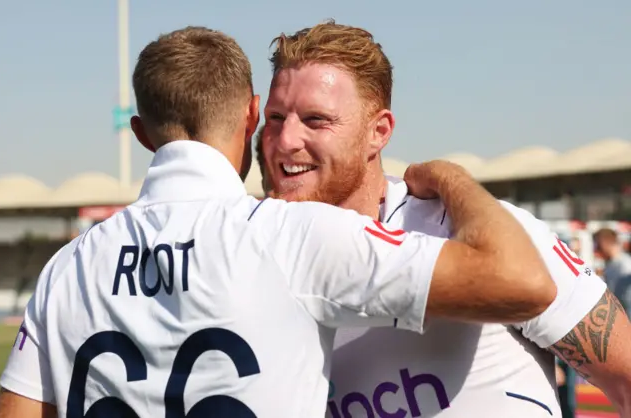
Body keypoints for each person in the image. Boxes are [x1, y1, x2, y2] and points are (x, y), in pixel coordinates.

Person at [0, 27, 556, 418]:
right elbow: (523, 282)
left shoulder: (66, 268)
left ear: (142, 135)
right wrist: (453, 178)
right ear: (252, 116)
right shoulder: (292, 234)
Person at [258, 20, 631, 417]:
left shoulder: (478, 235)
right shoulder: (257, 257)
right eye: (276, 118)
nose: (284, 141)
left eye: (316, 120)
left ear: (378, 132)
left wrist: (449, 177)